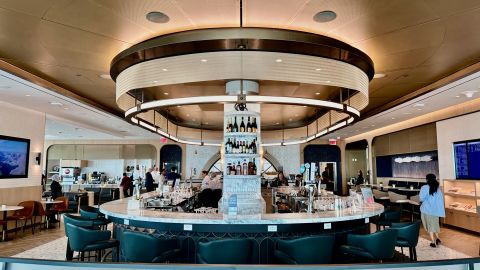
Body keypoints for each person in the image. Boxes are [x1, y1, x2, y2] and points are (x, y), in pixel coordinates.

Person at [419, 173, 445, 248]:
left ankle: (433, 242)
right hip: (436, 211)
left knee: (429, 226)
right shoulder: (437, 188)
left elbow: (421, 198)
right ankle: (438, 239)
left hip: (427, 210)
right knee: (435, 225)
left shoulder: (424, 187)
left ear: (427, 179)